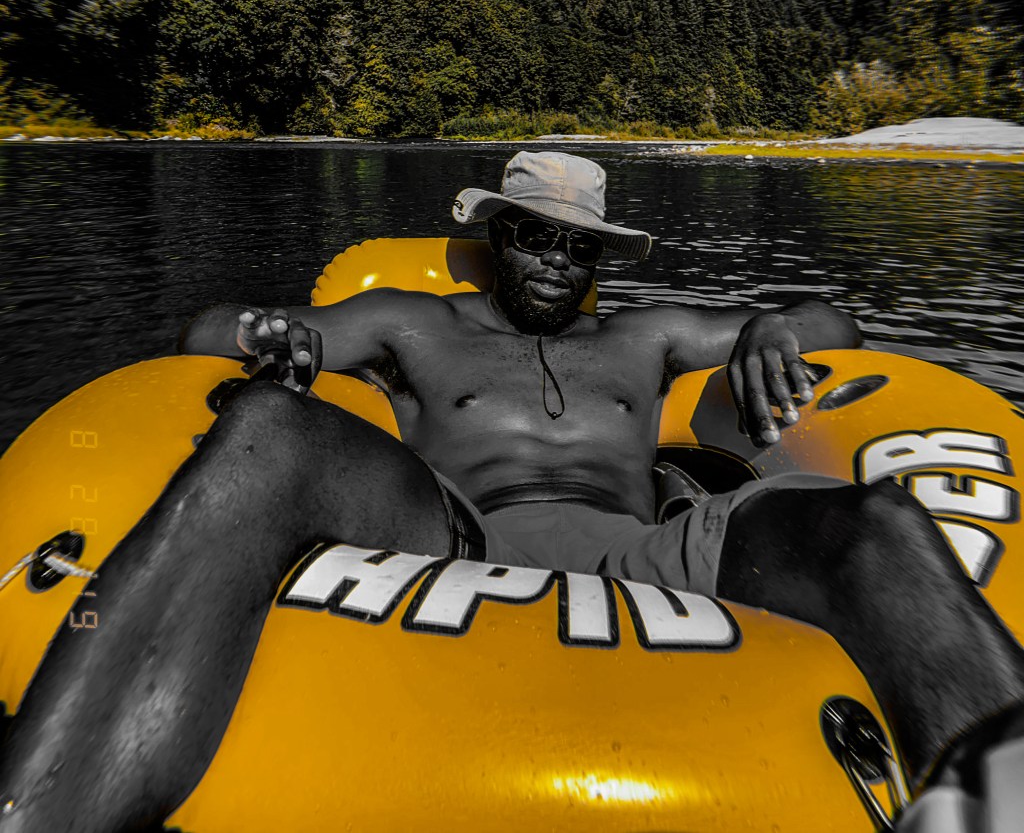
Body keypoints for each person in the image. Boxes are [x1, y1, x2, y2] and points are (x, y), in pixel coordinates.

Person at [2, 151, 1022, 832]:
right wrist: (269, 337)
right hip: (453, 533)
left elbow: (836, 324)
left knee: (877, 524)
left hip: (646, 548)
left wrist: (771, 329)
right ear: (498, 234)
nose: (556, 261)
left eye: (579, 246)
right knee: (264, 429)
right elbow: (207, 333)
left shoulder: (645, 336)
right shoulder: (413, 323)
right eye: (536, 236)